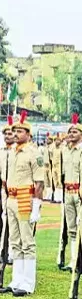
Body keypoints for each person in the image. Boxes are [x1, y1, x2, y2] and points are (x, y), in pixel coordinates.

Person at [0, 111, 44, 297]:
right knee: (14, 241)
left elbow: (39, 182)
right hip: (11, 198)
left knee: (27, 241)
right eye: (14, 130)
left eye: (20, 131)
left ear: (28, 134)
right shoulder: (11, 153)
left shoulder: (34, 153)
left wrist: (36, 207)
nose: (15, 133)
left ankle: (28, 282)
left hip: (25, 199)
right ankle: (16, 279)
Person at [57, 114, 82, 272]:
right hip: (67, 191)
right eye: (70, 131)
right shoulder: (65, 151)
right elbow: (62, 172)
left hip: (79, 192)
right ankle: (74, 261)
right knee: (71, 229)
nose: (71, 134)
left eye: (75, 131)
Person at [0, 116, 15, 265]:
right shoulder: (0, 151)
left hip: (14, 190)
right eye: (5, 134)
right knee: (1, 221)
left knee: (13, 222)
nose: (8, 136)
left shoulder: (17, 151)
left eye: (10, 134)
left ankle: (11, 252)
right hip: (3, 190)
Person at [52, 134, 64, 203]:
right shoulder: (53, 149)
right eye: (55, 140)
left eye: (58, 140)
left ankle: (60, 198)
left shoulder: (62, 149)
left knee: (60, 182)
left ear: (61, 141)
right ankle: (56, 198)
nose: (56, 141)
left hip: (60, 167)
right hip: (54, 167)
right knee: (55, 182)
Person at [43, 133, 53, 201]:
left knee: (51, 182)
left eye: (48, 139)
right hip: (44, 166)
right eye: (46, 139)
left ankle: (51, 196)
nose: (47, 140)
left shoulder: (52, 147)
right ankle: (47, 195)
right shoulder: (45, 147)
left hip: (50, 166)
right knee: (46, 182)